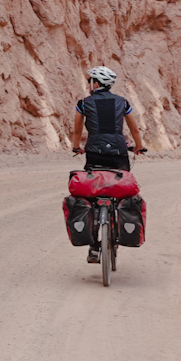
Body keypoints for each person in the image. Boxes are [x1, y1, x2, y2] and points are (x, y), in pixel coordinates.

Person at [69, 66, 147, 263]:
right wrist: (138, 146)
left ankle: (94, 246)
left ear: (96, 84)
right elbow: (134, 129)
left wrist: (76, 147)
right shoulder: (122, 102)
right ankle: (119, 231)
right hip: (119, 153)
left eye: (90, 81)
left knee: (92, 195)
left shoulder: (84, 104)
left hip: (94, 152)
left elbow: (77, 131)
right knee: (121, 192)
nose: (89, 85)